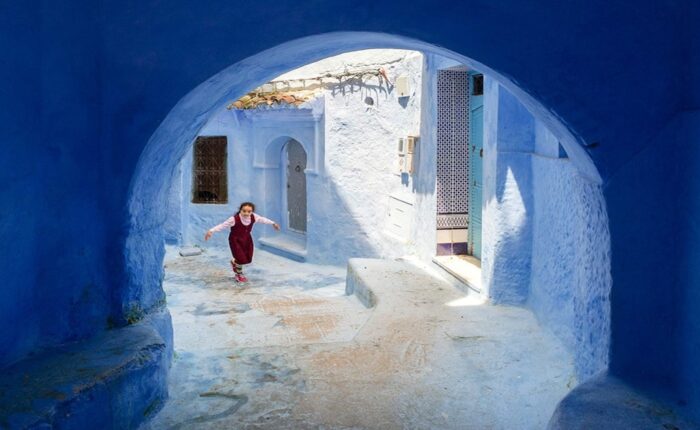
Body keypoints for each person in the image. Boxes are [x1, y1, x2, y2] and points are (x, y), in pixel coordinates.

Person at [204, 202, 280, 283]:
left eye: (249, 211)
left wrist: (273, 223)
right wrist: (211, 231)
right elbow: (222, 225)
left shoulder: (254, 217)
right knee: (241, 259)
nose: (246, 213)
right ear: (240, 210)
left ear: (252, 212)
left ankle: (234, 263)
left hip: (247, 239)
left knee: (248, 259)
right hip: (235, 240)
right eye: (244, 211)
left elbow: (263, 219)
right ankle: (239, 275)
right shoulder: (234, 219)